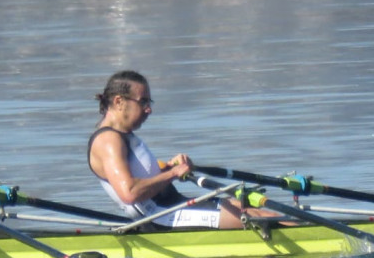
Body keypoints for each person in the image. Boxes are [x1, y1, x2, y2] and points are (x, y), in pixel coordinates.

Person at [87, 70, 272, 230]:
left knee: (256, 210)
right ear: (119, 102)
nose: (149, 110)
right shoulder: (108, 141)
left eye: (149, 102)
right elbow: (130, 193)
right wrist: (174, 173)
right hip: (160, 217)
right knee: (262, 217)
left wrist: (167, 169)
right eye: (143, 102)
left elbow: (141, 178)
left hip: (172, 205)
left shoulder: (123, 135)